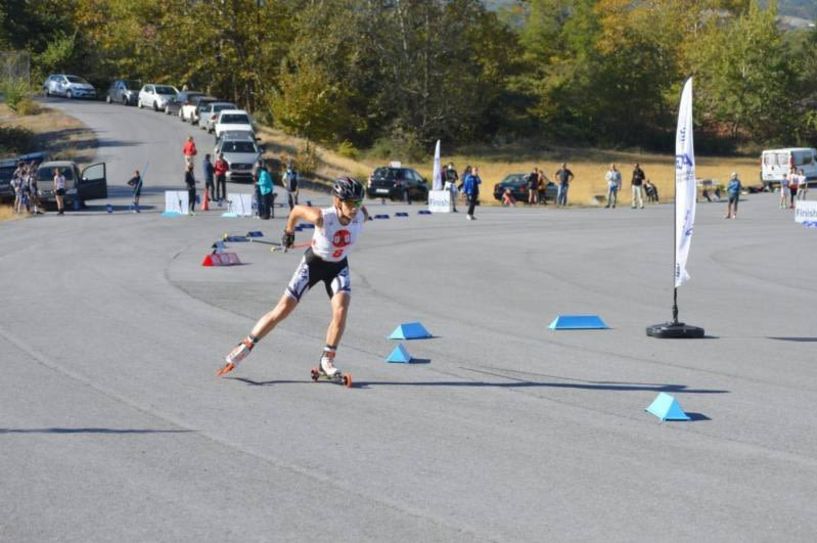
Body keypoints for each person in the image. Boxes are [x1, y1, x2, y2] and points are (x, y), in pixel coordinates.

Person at [217, 177, 369, 382]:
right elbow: (296, 210)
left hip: (338, 266)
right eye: (350, 203)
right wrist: (288, 232)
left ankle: (327, 361)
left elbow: (359, 214)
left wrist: (359, 208)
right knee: (283, 309)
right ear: (337, 201)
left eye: (358, 203)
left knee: (341, 311)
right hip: (314, 263)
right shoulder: (321, 217)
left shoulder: (361, 215)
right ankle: (246, 345)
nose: (354, 209)